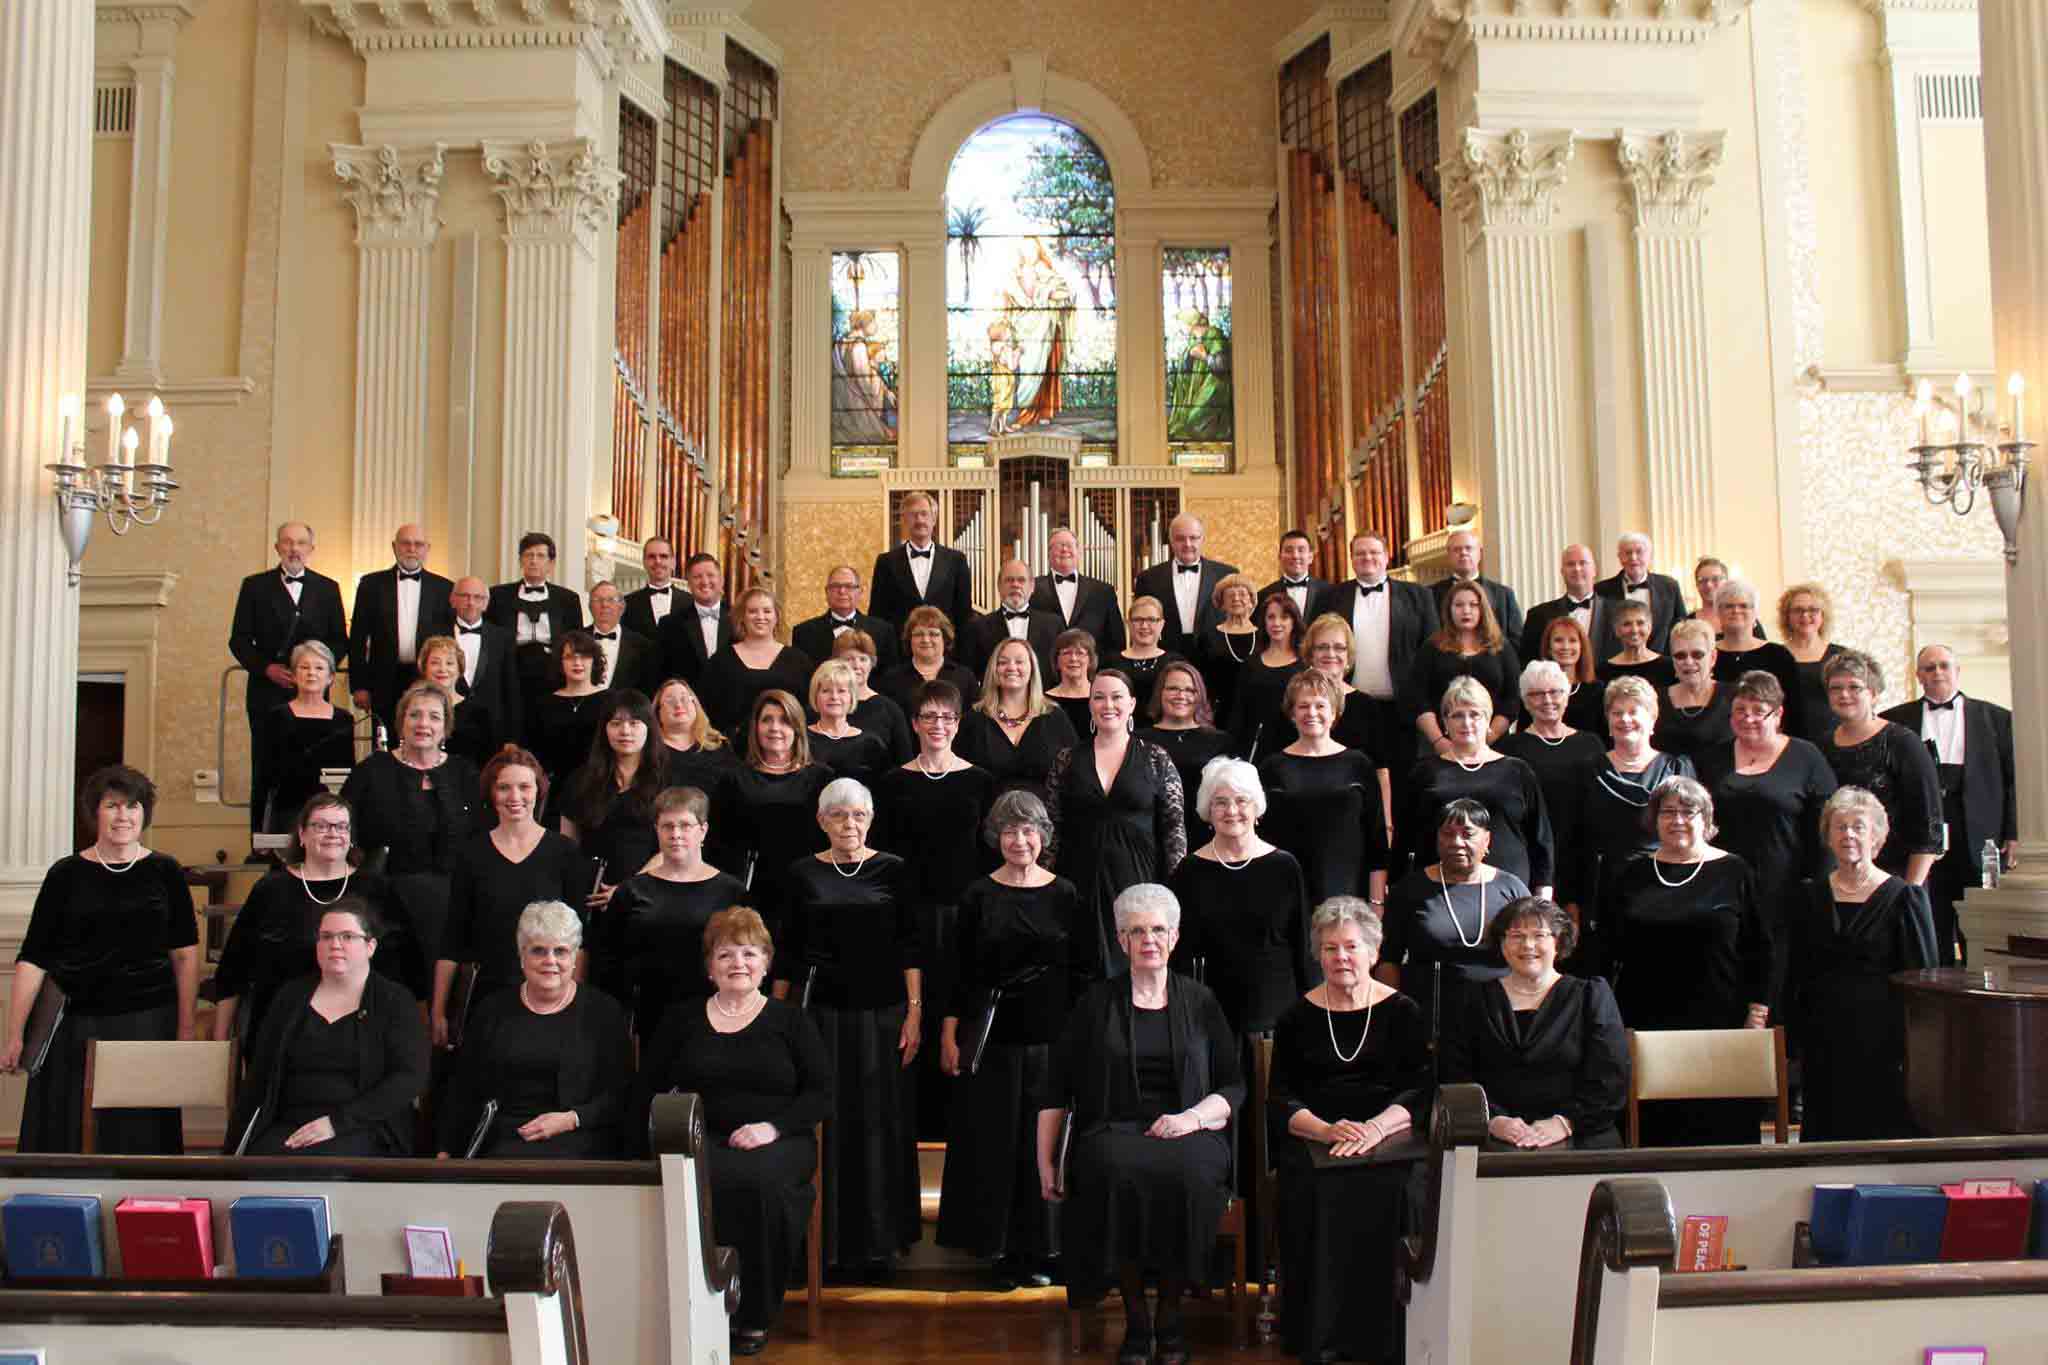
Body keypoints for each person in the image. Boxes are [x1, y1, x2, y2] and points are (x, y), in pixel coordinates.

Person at [1037, 884, 1243, 1365]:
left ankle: (1170, 1317)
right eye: (1136, 931)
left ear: (1174, 937)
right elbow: (1055, 1089)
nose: (1148, 939)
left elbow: (1233, 1087)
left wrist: (1190, 1119)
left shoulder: (1202, 1001)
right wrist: (1047, 1164)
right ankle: (1136, 1319)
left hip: (1190, 1130)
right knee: (1110, 1171)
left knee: (1190, 1176)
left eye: (1157, 930)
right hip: (1113, 1129)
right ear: (1121, 940)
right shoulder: (1094, 1003)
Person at [633, 907, 830, 1356]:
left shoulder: (791, 1022)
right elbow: (648, 1088)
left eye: (749, 953)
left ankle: (751, 1313)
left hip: (778, 1141)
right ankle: (696, 1305)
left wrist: (771, 1128)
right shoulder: (681, 1019)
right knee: (691, 1180)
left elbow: (820, 1094)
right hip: (699, 1138)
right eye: (726, 954)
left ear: (765, 962)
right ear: (710, 966)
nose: (738, 963)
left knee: (756, 1184)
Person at [1267, 897, 1429, 1365]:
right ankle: (1321, 1336)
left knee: (1399, 1186)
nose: (1342, 958)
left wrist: (1374, 1130)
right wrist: (1324, 1130)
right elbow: (1280, 1098)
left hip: (1390, 1138)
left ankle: (1390, 1336)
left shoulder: (1403, 1011)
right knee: (1316, 1186)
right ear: (1318, 954)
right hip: (1317, 1139)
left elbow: (1419, 1090)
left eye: (1352, 947)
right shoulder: (1295, 1018)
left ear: (1374, 952)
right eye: (1330, 948)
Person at [4, 765, 198, 1154]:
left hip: (148, 1019)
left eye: (132, 806)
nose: (123, 816)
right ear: (95, 812)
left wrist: (186, 1028)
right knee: (68, 1136)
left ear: (144, 814)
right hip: (76, 1022)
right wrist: (14, 1033)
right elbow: (34, 958)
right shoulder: (66, 874)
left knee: (142, 1138)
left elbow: (185, 955)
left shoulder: (166, 870)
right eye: (112, 806)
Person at [936, 792, 1087, 1287]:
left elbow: (1082, 972)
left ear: (1043, 837)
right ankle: (1000, 1253)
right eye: (1009, 831)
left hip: (1052, 1034)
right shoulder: (977, 895)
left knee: (1044, 1144)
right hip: (992, 1035)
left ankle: (1047, 1249)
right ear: (995, 838)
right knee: (995, 1143)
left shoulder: (1065, 893)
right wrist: (950, 1031)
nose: (1019, 841)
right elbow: (957, 972)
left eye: (1028, 831)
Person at [773, 778, 921, 1273]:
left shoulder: (894, 870)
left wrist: (915, 1011)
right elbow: (788, 955)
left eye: (858, 815)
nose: (849, 824)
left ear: (871, 818)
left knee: (879, 1126)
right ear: (821, 821)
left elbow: (910, 948)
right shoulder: (799, 873)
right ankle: (822, 1247)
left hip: (881, 1017)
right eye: (838, 815)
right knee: (825, 1127)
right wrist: (774, 1018)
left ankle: (878, 1248)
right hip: (819, 1017)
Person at [1606, 777, 1769, 1145]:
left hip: (1721, 1018)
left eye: (1687, 812)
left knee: (1721, 1128)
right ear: (1655, 819)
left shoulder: (1736, 870)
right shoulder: (1631, 873)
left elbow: (1762, 946)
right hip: (1646, 1017)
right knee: (1654, 1130)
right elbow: (1607, 948)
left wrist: (1757, 1009)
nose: (1677, 820)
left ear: (1706, 818)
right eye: (1667, 812)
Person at [871, 679, 997, 1133]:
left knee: (956, 1019)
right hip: (908, 916)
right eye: (929, 716)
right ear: (914, 723)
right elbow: (883, 855)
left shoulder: (980, 781)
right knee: (912, 1022)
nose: (938, 725)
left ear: (958, 723)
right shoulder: (892, 782)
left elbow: (987, 856)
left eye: (947, 717)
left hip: (962, 916)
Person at [214, 792, 426, 1046]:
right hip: (282, 1034)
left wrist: (420, 1031)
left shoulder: (376, 889)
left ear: (351, 837)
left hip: (363, 1034)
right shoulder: (270, 890)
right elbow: (233, 970)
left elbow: (411, 968)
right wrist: (220, 1038)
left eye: (341, 826)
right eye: (321, 826)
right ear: (302, 835)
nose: (332, 833)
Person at [1786, 788, 1938, 1141]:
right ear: (1828, 836)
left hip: (1883, 1041)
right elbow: (1796, 970)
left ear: (1877, 837)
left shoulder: (1905, 898)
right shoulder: (1809, 896)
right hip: (1824, 1038)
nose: (1849, 835)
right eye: (1840, 827)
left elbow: (1922, 978)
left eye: (1858, 827)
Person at [227, 900, 429, 1156]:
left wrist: (336, 1123)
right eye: (326, 937)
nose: (335, 944)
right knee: (264, 1167)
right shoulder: (290, 998)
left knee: (321, 1168)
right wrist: (231, 1151)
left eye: (347, 936)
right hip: (289, 1125)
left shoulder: (395, 1001)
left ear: (370, 946)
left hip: (363, 1125)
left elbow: (409, 1078)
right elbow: (259, 1079)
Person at [437, 900, 633, 1159]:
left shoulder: (603, 1013)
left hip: (578, 1137)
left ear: (574, 958)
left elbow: (622, 1093)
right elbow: (464, 1088)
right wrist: (445, 1150)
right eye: (538, 951)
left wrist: (571, 1119)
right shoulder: (492, 1010)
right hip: (504, 1139)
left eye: (561, 951)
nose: (549, 961)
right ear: (522, 956)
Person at [1693, 671, 1837, 1014]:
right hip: (1723, 891)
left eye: (1759, 710)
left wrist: (1817, 886)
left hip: (1785, 892)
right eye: (1740, 710)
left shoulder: (1806, 756)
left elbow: (1828, 825)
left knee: (1780, 984)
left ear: (1778, 713)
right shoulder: (1712, 759)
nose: (1749, 718)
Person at [1440, 896, 1627, 1150]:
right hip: (1492, 1133)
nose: (1527, 945)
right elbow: (1455, 1072)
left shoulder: (1591, 995)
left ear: (1558, 943)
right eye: (1516, 936)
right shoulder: (1471, 999)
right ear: (1502, 945)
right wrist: (1494, 1120)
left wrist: (1563, 1123)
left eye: (1539, 935)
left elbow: (1611, 1077)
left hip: (1580, 1131)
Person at [436, 748, 593, 1049]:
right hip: (488, 997)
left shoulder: (565, 853)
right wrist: (439, 1012)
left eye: (524, 786)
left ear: (539, 790)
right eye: (504, 787)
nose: (515, 796)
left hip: (551, 993)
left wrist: (575, 999)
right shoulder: (471, 855)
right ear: (491, 794)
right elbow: (452, 939)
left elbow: (580, 940)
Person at [1046, 670, 1190, 979]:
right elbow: (1052, 827)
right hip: (1078, 882)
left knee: (1136, 970)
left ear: (1132, 704)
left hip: (1139, 880)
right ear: (1090, 704)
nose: (1107, 704)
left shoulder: (1155, 757)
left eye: (1116, 697)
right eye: (1099, 697)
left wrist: (1171, 892)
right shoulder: (1067, 759)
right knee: (1082, 973)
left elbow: (1174, 829)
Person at [1880, 644, 2018, 965]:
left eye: (1944, 666)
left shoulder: (1997, 719)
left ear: (1957, 671)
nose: (1937, 673)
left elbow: (2015, 781)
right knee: (1930, 913)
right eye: (1929, 668)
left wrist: (2013, 833)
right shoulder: (1893, 721)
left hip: (1979, 834)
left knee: (1979, 918)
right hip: (1921, 833)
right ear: (1918, 675)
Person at [340, 680, 483, 965]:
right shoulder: (371, 771)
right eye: (414, 714)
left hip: (451, 903)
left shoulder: (464, 773)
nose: (423, 724)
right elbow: (344, 827)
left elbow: (480, 836)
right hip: (384, 902)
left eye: (434, 716)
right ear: (401, 722)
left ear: (445, 727)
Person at [1168, 758, 1309, 1039]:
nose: (1232, 811)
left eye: (1241, 800)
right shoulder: (1189, 871)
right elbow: (1180, 954)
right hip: (1211, 1018)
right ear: (1208, 809)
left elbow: (1302, 945)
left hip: (1278, 1016)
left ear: (1257, 806)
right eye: (1220, 802)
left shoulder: (1285, 866)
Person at [600, 785, 750, 1043]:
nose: (676, 834)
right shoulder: (631, 891)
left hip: (717, 1013)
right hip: (648, 1014)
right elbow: (608, 959)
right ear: (656, 830)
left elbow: (749, 958)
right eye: (667, 826)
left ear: (703, 830)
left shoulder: (732, 892)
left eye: (685, 825)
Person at [1566, 676, 1694, 974]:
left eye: (1634, 711)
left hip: (1664, 888)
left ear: (1652, 718)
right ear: (1608, 721)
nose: (1625, 719)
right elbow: (1572, 839)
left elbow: (1692, 833)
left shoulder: (1676, 768)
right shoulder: (1588, 770)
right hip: (1602, 893)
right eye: (1616, 712)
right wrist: (1572, 902)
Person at [229, 521, 349, 837]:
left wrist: (318, 669)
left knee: (317, 769)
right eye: (287, 542)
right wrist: (266, 668)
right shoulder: (254, 586)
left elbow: (340, 640)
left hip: (314, 696)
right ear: (277, 548)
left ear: (311, 549)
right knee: (266, 768)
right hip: (267, 692)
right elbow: (239, 640)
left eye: (300, 543)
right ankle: (262, 841)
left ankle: (322, 835)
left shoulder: (328, 588)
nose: (294, 549)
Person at [1378, 798, 1531, 1036]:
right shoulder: (1410, 890)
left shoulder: (1512, 889)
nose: (1457, 843)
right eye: (1448, 834)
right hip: (1431, 1017)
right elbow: (1389, 960)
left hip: (1502, 1016)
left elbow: (1532, 956)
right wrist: (1391, 1017)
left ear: (1487, 840)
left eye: (1467, 834)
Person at [1399, 677, 1553, 897]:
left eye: (1474, 714)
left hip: (1509, 895)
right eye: (1457, 715)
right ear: (1445, 723)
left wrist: (1543, 899)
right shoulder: (1424, 773)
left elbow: (1541, 840)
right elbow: (1404, 840)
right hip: (1439, 893)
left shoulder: (1518, 771)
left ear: (1488, 720)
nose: (1466, 722)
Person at [1258, 670, 1391, 913]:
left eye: (1320, 705)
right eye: (1303, 706)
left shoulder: (1358, 764)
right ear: (1292, 713)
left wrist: (1377, 904)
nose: (1311, 713)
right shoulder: (1271, 768)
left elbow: (1377, 842)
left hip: (1349, 898)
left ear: (1334, 712)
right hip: (1285, 897)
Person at [1319, 531, 1436, 793]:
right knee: (1353, 779)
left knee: (1403, 781)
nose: (1367, 558)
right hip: (1349, 707)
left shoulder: (1418, 596)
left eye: (1374, 552)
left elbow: (1430, 653)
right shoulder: (1331, 597)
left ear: (1386, 556)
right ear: (1351, 558)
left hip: (1401, 709)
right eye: (1360, 553)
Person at [1817, 648, 1943, 884]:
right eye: (1836, 688)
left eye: (1854, 687)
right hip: (1839, 881)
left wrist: (1910, 892)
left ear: (1874, 694)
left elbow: (1928, 826)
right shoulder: (1821, 746)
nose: (1844, 694)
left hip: (1895, 881)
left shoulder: (1902, 743)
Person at [710, 690, 833, 917]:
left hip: (809, 889)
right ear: (755, 727)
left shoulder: (822, 778)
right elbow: (718, 844)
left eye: (784, 720)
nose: (775, 728)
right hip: (751, 890)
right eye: (767, 720)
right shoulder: (733, 779)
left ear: (797, 728)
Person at [1498, 662, 1604, 907]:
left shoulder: (1591, 744)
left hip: (1579, 851)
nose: (1547, 700)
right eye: (1537, 694)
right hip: (1530, 851)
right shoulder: (1509, 749)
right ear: (1525, 700)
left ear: (1566, 696)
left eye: (1554, 692)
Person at [560, 690, 664, 925]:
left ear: (649, 728)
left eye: (634, 723)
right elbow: (568, 844)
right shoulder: (580, 780)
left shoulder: (666, 780)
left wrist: (628, 888)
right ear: (604, 729)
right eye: (616, 723)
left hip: (648, 895)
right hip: (589, 896)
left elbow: (670, 847)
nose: (625, 731)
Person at [348, 523, 453, 734]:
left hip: (426, 678)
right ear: (394, 547)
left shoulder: (444, 588)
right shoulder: (371, 584)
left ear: (427, 549)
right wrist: (359, 685)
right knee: (384, 739)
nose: (412, 549)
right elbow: (358, 637)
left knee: (425, 735)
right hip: (383, 678)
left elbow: (449, 640)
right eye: (406, 543)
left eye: (418, 544)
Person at [959, 636, 1080, 808]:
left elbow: (1075, 775)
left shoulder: (1055, 718)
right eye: (1003, 662)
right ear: (994, 669)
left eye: (1019, 661)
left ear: (1032, 669)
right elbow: (961, 780)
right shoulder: (974, 719)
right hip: (987, 826)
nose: (1011, 667)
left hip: (1045, 827)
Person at [486, 530, 584, 731]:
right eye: (528, 555)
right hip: (511, 672)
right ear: (521, 560)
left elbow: (576, 642)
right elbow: (490, 638)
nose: (533, 561)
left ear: (551, 563)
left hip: (552, 674)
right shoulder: (498, 596)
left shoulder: (567, 599)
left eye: (540, 556)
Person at [1406, 579, 1521, 745]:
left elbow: (1512, 697)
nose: (1466, 611)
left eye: (1473, 605)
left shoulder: (1501, 646)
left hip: (1493, 742)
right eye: (1458, 605)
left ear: (1483, 609)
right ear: (1449, 610)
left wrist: (1489, 737)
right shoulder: (1432, 646)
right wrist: (1438, 741)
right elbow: (1418, 697)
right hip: (1442, 742)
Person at [257, 640, 356, 833]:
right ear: (293, 675)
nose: (311, 673)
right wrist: (260, 828)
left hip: (331, 814)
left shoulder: (345, 719)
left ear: (330, 677)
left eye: (319, 668)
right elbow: (264, 775)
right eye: (304, 667)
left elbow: (348, 771)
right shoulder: (276, 717)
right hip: (288, 810)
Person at [1138, 661, 1235, 858]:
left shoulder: (1220, 741)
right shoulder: (1138, 740)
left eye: (1190, 690)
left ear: (1200, 696)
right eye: (1173, 688)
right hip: (1151, 838)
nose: (1181, 696)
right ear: (1160, 693)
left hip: (1206, 836)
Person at [695, 586, 814, 739]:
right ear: (742, 617)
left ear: (776, 616)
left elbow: (809, 710)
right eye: (752, 611)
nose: (760, 617)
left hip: (786, 747)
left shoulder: (799, 661)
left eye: (767, 611)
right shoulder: (721, 661)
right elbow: (706, 710)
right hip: (733, 751)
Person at [869, 490, 975, 641]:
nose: (919, 520)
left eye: (924, 514)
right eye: (913, 515)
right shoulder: (886, 562)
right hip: (899, 653)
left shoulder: (956, 560)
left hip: (946, 652)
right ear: (904, 520)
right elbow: (877, 615)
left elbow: (964, 615)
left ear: (934, 519)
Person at [1131, 512, 1240, 655]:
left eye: (1193, 538)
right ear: (1171, 540)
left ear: (1202, 539)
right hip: (1167, 657)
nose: (1187, 544)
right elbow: (1140, 622)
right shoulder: (1148, 579)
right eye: (1180, 539)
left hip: (1217, 658)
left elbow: (1237, 619)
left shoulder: (1227, 575)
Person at [1710, 580, 1806, 737]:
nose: (1736, 610)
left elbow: (1795, 711)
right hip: (1716, 744)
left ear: (1755, 613)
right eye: (1728, 606)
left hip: (1769, 743)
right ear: (1717, 612)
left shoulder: (1778, 655)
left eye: (1744, 606)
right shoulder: (1705, 654)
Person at [527, 630, 607, 804]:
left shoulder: (610, 700)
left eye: (584, 656)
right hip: (556, 791)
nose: (577, 663)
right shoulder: (543, 704)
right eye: (569, 657)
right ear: (560, 663)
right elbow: (535, 753)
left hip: (600, 788)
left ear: (594, 661)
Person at [446, 576, 523, 749]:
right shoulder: (435, 633)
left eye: (477, 597)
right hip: (447, 726)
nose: (471, 602)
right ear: (453, 600)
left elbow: (511, 688)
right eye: (464, 596)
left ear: (486, 604)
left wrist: (512, 738)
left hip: (491, 731)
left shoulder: (503, 638)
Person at [1227, 591, 1306, 757]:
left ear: (1294, 621)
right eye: (1271, 617)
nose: (1277, 623)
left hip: (1296, 744)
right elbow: (1239, 712)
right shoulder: (1251, 664)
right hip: (1256, 747)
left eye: (1284, 617)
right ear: (1264, 621)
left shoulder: (1305, 665)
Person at [1031, 526, 1125, 658]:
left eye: (1069, 545)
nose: (1064, 549)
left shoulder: (1103, 592)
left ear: (1079, 552)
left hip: (1092, 673)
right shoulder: (1032, 589)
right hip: (1046, 673)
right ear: (1048, 553)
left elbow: (1117, 642)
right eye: (1058, 546)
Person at [960, 559, 1062, 682]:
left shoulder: (1053, 625)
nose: (1015, 585)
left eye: (1021, 580)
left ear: (1032, 586)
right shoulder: (977, 627)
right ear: (999, 586)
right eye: (1009, 580)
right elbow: (970, 674)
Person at [793, 564, 900, 675]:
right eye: (835, 586)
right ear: (826, 592)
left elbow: (890, 677)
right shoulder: (804, 633)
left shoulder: (883, 630)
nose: (842, 591)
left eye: (849, 586)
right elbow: (802, 677)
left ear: (859, 592)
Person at [874, 604, 977, 718]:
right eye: (919, 634)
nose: (926, 640)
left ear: (945, 639)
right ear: (910, 639)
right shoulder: (891, 679)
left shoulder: (965, 678)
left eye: (933, 634)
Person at [1592, 531, 1684, 656]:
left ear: (1649, 556)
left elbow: (1681, 625)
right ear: (1619, 557)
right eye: (1628, 553)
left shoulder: (1669, 586)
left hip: (1662, 663)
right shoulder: (1601, 590)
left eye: (1639, 552)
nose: (1633, 558)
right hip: (1618, 663)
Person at [1653, 619, 1733, 760]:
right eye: (1680, 655)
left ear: (1713, 657)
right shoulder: (1654, 700)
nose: (1688, 662)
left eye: (1697, 655)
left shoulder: (1733, 697)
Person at [1431, 527, 1525, 648]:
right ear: (1448, 555)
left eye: (1468, 548)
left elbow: (1516, 641)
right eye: (1457, 549)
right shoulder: (1430, 594)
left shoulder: (1503, 594)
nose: (1463, 553)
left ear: (1479, 554)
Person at [1520, 543, 1608, 669]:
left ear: (1594, 570)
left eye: (1583, 563)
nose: (1577, 569)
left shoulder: (1617, 613)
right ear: (1562, 572)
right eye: (1570, 564)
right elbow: (1528, 663)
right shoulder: (1538, 615)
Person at [831, 630, 914, 763]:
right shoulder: (823, 707)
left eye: (863, 659)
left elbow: (904, 762)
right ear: (836, 663)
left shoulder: (890, 710)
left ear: (872, 663)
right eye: (849, 659)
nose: (857, 665)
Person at [415, 634, 499, 765]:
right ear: (424, 668)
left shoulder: (479, 712)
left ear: (459, 669)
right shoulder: (413, 710)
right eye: (435, 663)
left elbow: (489, 762)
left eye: (449, 663)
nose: (443, 669)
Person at [1192, 572, 1261, 727]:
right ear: (1221, 603)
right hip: (1220, 712)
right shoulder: (1207, 636)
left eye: (1242, 594)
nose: (1236, 598)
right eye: (1230, 595)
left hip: (1258, 709)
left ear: (1251, 601)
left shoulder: (1264, 635)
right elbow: (1199, 678)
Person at [1778, 582, 1843, 744]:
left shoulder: (1841, 656)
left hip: (1836, 741)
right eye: (1798, 610)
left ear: (1823, 615)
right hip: (1787, 742)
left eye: (1813, 610)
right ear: (1787, 616)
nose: (1805, 615)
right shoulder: (1774, 655)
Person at [806, 659, 891, 784]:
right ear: (815, 695)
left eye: (841, 691)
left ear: (851, 697)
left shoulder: (871, 744)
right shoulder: (801, 740)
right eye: (826, 691)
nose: (834, 697)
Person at [652, 676, 740, 796]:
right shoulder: (649, 750)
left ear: (695, 705)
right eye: (670, 700)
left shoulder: (719, 744)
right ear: (658, 713)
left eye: (684, 698)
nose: (678, 705)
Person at [657, 552, 734, 687]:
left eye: (710, 575)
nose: (705, 582)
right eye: (697, 577)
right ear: (689, 584)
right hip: (687, 704)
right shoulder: (669, 625)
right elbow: (662, 674)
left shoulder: (739, 619)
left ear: (721, 580)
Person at [1531, 613, 1606, 736]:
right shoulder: (1534, 689)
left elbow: (1604, 740)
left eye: (1572, 641)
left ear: (1581, 647)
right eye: (1558, 640)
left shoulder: (1597, 690)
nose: (1566, 647)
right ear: (1548, 647)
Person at [1103, 595, 1182, 710]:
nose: (1144, 626)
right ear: (1128, 624)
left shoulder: (1176, 662)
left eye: (1151, 620)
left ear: (1162, 624)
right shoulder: (1110, 663)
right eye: (1138, 620)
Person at [587, 581, 659, 696]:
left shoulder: (643, 646)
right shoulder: (576, 641)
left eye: (611, 600)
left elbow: (647, 690)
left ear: (621, 607)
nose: (604, 604)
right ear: (590, 607)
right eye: (598, 600)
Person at [1597, 600, 1674, 690]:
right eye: (1627, 624)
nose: (1634, 630)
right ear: (1616, 630)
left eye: (1640, 623)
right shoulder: (1602, 671)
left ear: (1649, 627)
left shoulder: (1670, 666)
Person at [1259, 527, 1330, 623]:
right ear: (1280, 557)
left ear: (1310, 557)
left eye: (1301, 550)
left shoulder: (1329, 592)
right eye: (1289, 550)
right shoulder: (1264, 595)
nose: (1295, 556)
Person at [620, 536, 680, 641]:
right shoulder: (627, 603)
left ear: (673, 562)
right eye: (652, 557)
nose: (658, 561)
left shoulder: (690, 602)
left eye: (664, 556)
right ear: (644, 562)